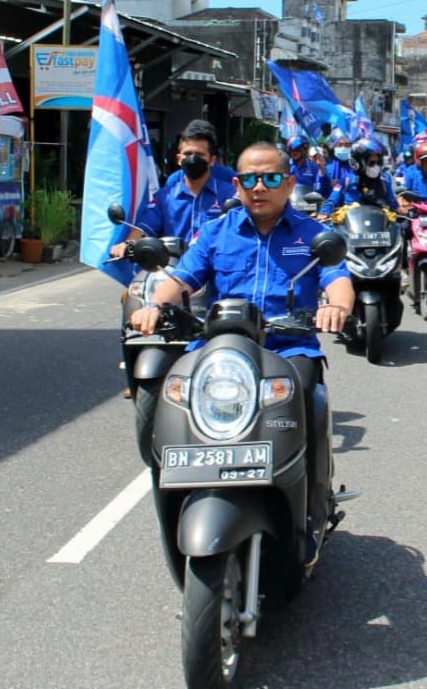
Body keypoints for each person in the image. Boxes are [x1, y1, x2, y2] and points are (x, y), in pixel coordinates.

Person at [131, 141, 355, 562]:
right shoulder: (217, 231)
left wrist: (336, 307)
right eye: (249, 179)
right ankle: (182, 499)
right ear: (236, 183)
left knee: (307, 398)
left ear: (289, 183)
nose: (259, 187)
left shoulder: (312, 235)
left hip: (288, 347)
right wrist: (154, 306)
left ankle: (310, 509)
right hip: (221, 349)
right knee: (177, 398)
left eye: (270, 178)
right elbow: (182, 278)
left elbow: (337, 278)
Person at [109, 120, 235, 257]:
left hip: (215, 270)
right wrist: (128, 244)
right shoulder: (164, 197)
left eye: (199, 155)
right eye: (187, 154)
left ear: (212, 160)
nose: (193, 159)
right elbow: (145, 227)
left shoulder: (230, 194)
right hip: (171, 271)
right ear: (179, 159)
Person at [317, 138, 398, 218]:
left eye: (378, 162)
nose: (375, 166)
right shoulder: (346, 180)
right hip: (352, 227)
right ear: (358, 162)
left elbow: (393, 203)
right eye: (372, 163)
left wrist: (402, 210)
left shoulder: (385, 181)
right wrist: (324, 213)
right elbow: (332, 200)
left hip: (378, 226)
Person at [397, 141, 427, 213]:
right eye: (426, 162)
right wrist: (403, 207)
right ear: (420, 164)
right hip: (416, 215)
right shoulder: (411, 176)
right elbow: (402, 195)